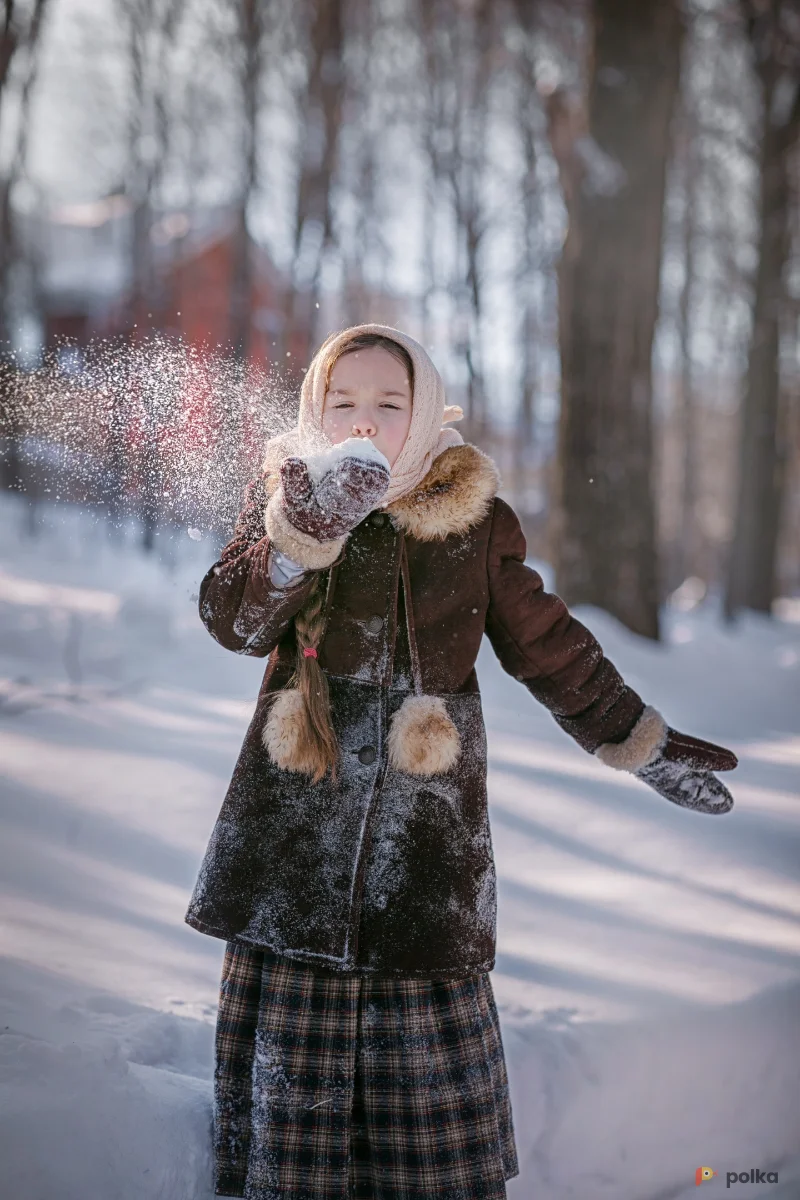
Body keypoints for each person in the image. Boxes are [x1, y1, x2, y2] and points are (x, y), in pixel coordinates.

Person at [185, 323, 738, 1199]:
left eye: (389, 404)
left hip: (423, 856)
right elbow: (231, 621)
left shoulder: (471, 521)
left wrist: (635, 736)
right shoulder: (284, 501)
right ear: (316, 411)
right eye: (344, 403)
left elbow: (547, 645)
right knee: (293, 1151)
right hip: (296, 851)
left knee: (431, 1147)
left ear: (426, 412)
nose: (364, 422)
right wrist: (300, 540)